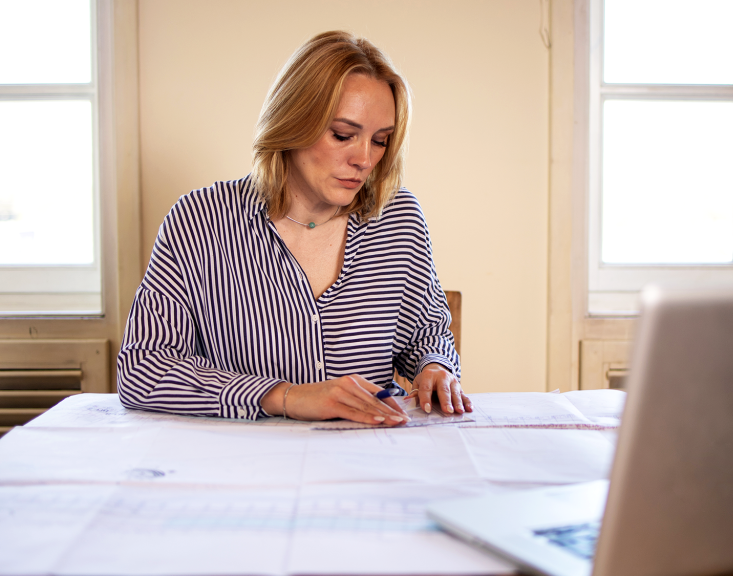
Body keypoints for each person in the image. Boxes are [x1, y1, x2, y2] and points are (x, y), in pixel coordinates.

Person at [117, 30, 471, 425]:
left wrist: (435, 366)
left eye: (380, 140)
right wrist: (284, 396)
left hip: (368, 466)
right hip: (244, 470)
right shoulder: (199, 221)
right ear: (292, 122)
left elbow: (426, 334)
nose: (364, 159)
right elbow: (142, 371)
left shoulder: (397, 217)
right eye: (343, 135)